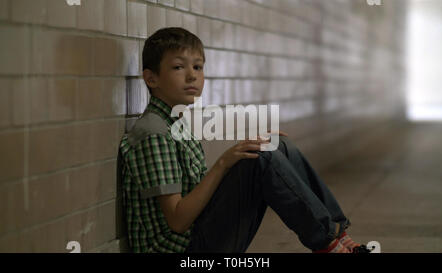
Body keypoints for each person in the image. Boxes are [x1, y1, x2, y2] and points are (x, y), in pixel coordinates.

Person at [118, 27, 372, 253]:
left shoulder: (174, 123)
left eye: (197, 67)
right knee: (260, 158)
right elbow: (177, 220)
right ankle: (328, 245)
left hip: (198, 234)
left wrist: (237, 155)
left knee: (275, 145)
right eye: (178, 67)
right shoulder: (154, 134)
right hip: (185, 248)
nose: (192, 76)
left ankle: (341, 238)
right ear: (151, 78)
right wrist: (223, 163)